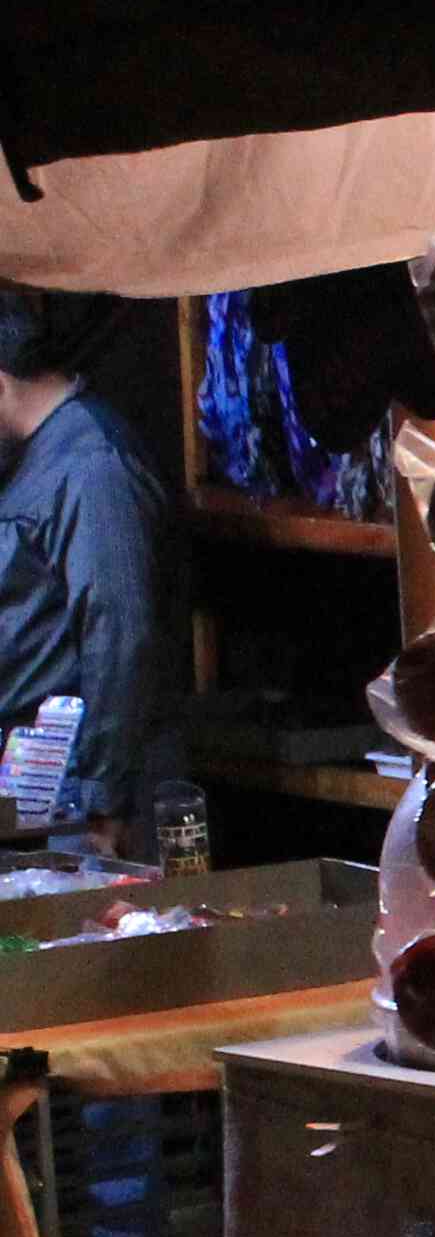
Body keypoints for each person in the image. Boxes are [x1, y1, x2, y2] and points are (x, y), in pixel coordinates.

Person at [0, 288, 184, 842]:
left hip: (91, 800)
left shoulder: (94, 466)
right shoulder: (26, 462)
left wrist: (105, 801)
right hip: (36, 789)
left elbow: (120, 633)